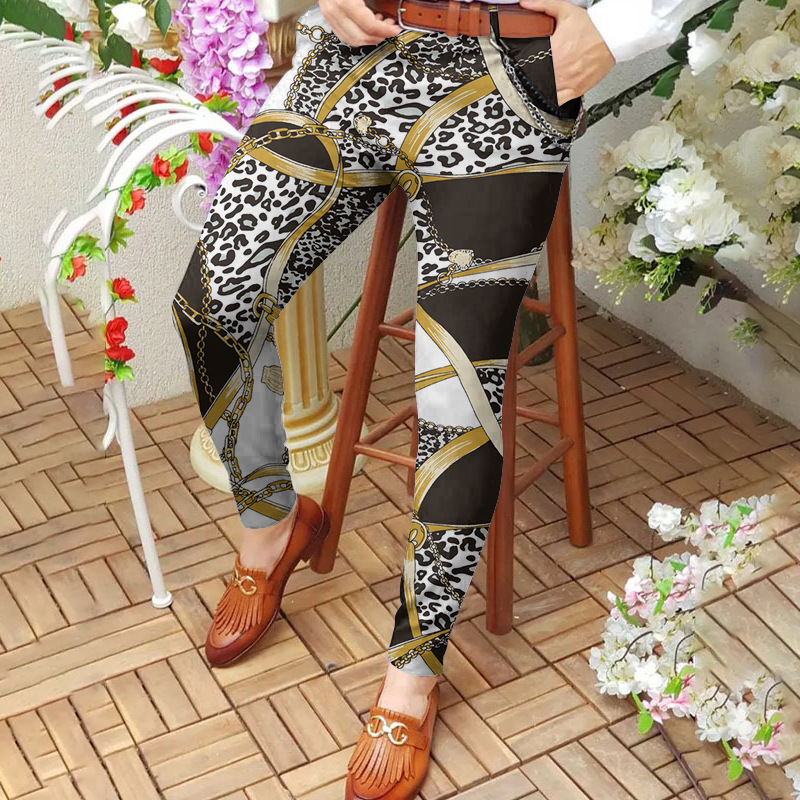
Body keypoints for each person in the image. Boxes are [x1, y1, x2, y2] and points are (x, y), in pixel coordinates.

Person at [170, 0, 704, 796]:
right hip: (360, 52)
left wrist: (621, 28)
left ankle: (412, 678)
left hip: (513, 73)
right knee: (211, 303)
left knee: (457, 395)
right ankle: (271, 529)